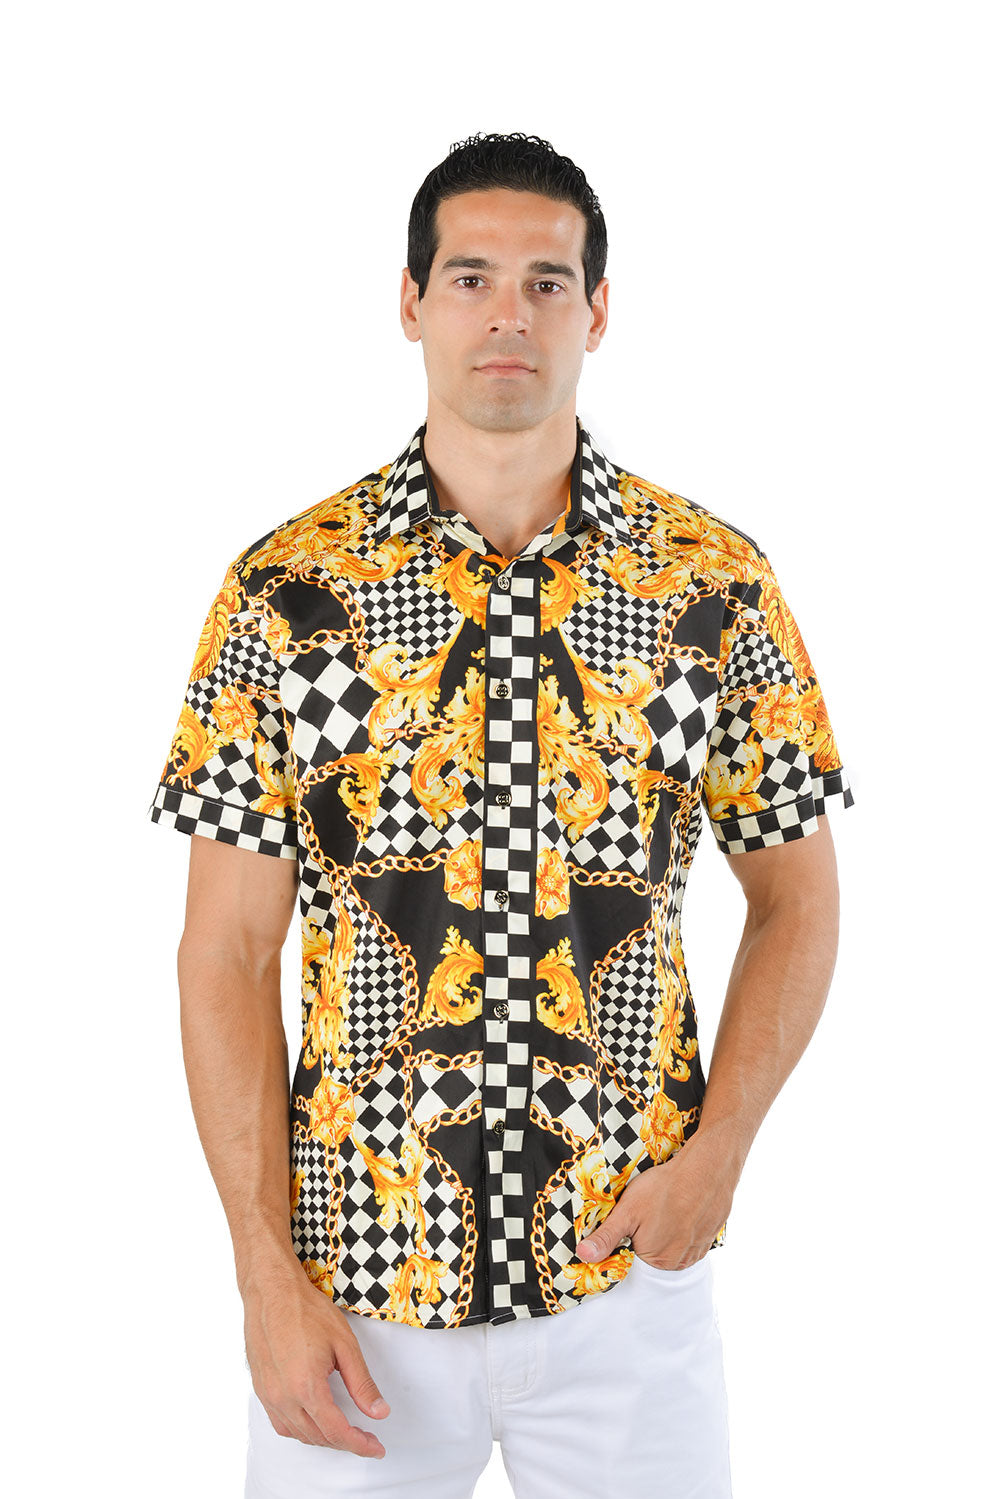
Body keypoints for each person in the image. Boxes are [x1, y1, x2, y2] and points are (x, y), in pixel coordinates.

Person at [147, 130, 854, 1499]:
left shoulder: (711, 588)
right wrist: (261, 1272)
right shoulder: (286, 595)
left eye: (547, 281)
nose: (508, 315)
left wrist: (718, 1158)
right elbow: (223, 952)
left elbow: (799, 898)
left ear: (599, 310)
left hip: (628, 1269)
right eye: (470, 278)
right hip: (352, 1289)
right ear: (411, 303)